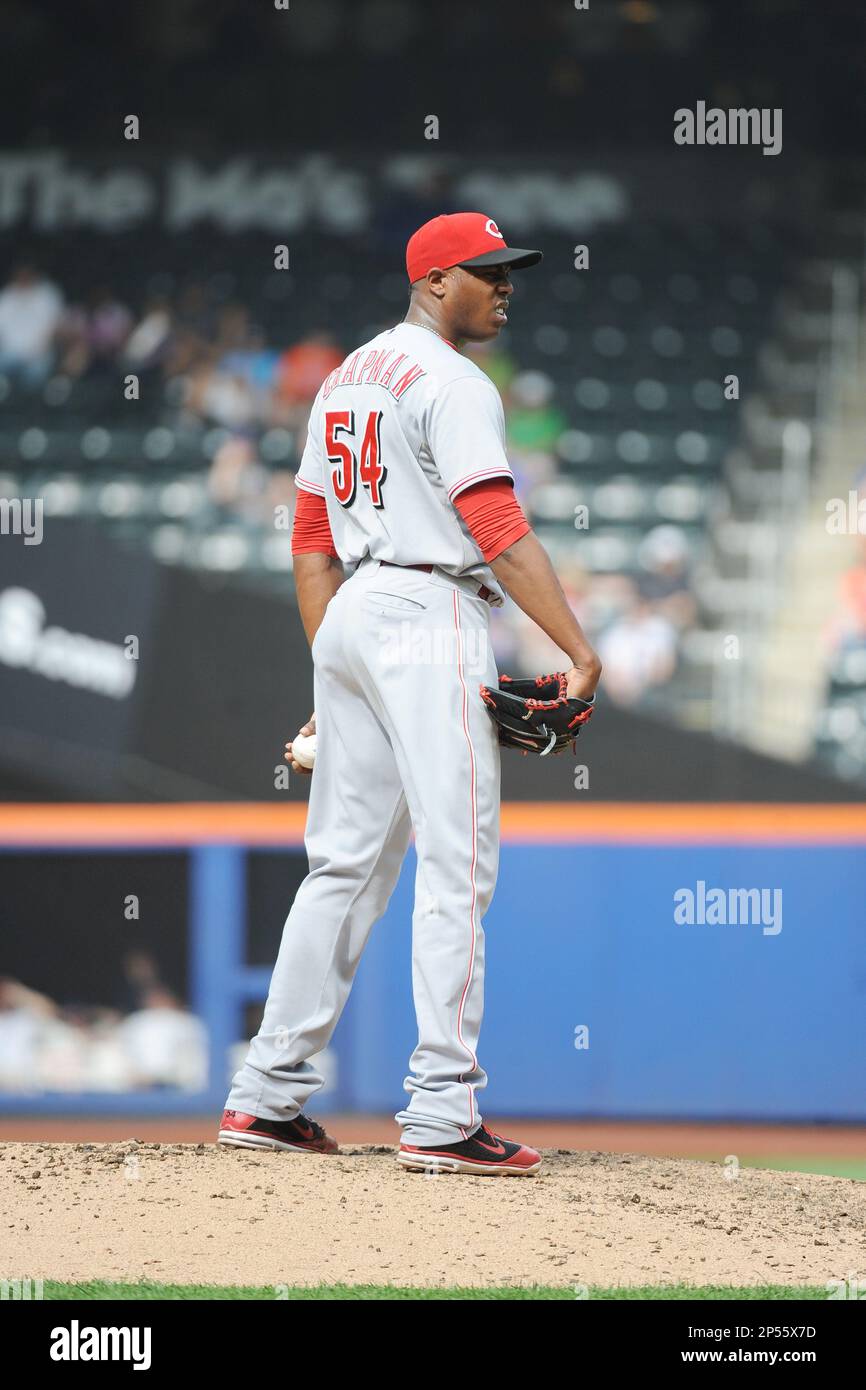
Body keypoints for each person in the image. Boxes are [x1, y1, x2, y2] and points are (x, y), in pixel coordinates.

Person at [219, 213, 601, 1176]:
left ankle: (265, 1096)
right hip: (431, 607)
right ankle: (441, 1108)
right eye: (489, 273)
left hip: (356, 610)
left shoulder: (346, 376)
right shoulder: (454, 381)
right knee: (457, 863)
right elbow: (495, 522)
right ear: (435, 282)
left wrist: (333, 671)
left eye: (510, 273)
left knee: (340, 868)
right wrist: (578, 651)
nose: (506, 287)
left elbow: (310, 535)